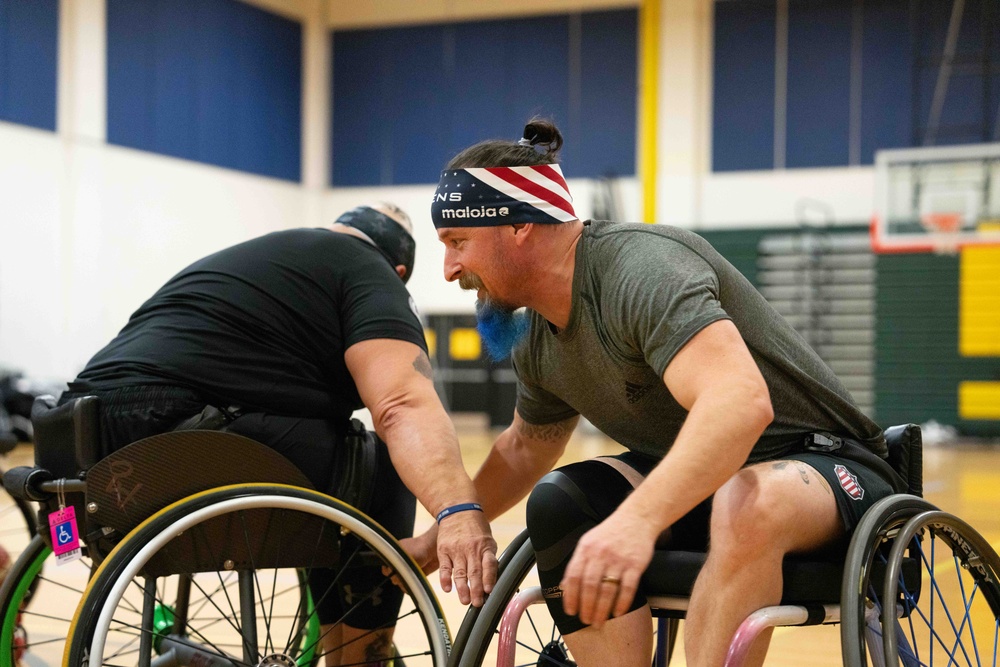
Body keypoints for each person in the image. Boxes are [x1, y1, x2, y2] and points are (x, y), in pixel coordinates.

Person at [422, 119, 902, 666]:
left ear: (519, 227)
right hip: (711, 488)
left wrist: (636, 520)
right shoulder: (537, 335)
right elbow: (527, 445)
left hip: (825, 468)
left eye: (457, 242)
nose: (449, 269)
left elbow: (740, 403)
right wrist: (444, 530)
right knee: (561, 501)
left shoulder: (641, 270)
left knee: (747, 500)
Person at [60, 203, 498, 665]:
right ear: (400, 271)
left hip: (78, 444)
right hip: (168, 428)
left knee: (329, 445)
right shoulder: (371, 272)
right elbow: (400, 405)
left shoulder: (270, 257)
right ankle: (360, 657)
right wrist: (456, 511)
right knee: (377, 467)